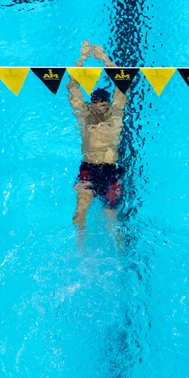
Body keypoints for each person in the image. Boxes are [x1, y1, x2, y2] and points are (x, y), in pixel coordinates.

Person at [68, 40, 127, 235]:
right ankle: (79, 253)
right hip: (89, 169)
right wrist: (82, 59)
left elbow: (122, 83)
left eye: (105, 101)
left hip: (111, 170)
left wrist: (105, 59)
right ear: (91, 103)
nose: (102, 104)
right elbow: (72, 87)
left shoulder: (116, 113)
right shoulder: (84, 115)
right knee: (80, 211)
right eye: (98, 101)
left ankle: (120, 255)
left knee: (111, 217)